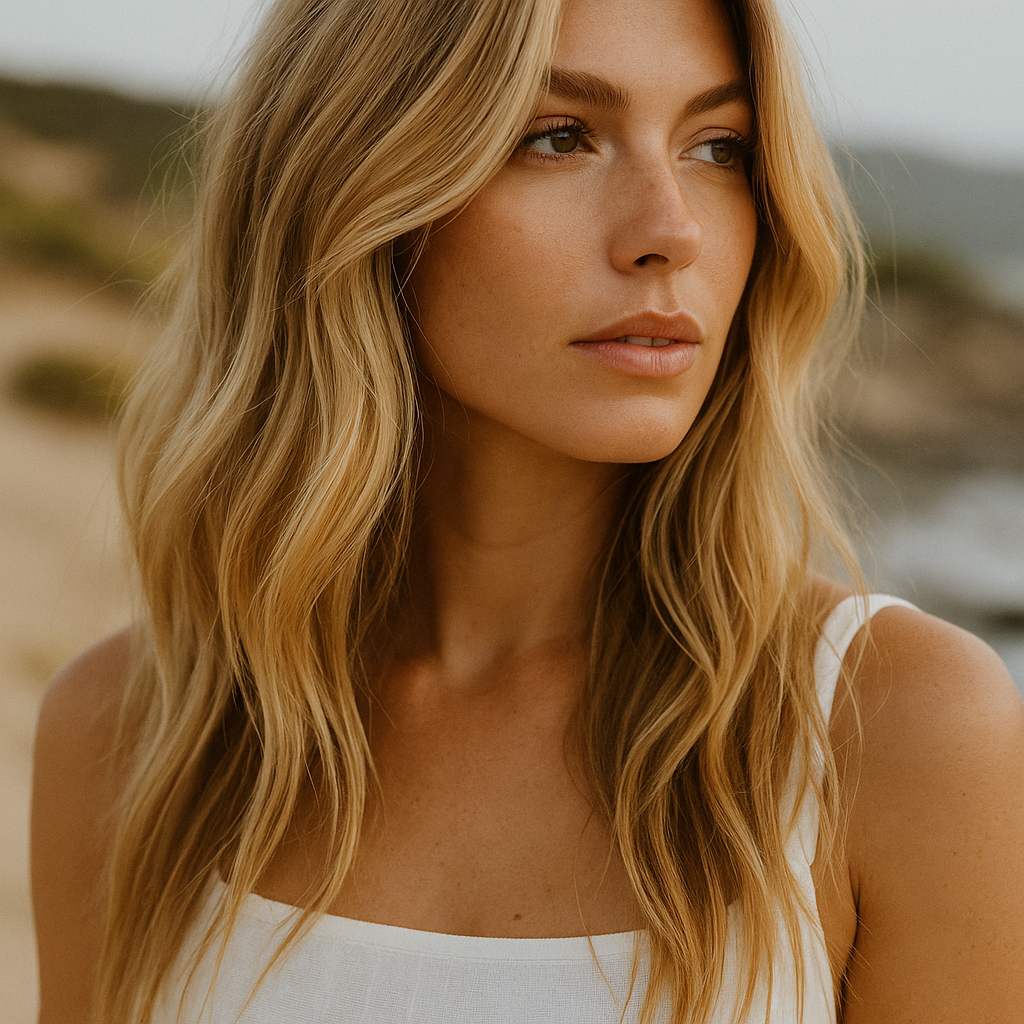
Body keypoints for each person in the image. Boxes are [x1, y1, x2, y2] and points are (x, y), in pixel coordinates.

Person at [30, 0, 1024, 1020]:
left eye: (718, 148)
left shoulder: (891, 730)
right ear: (350, 189)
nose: (669, 231)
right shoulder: (129, 733)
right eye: (557, 137)